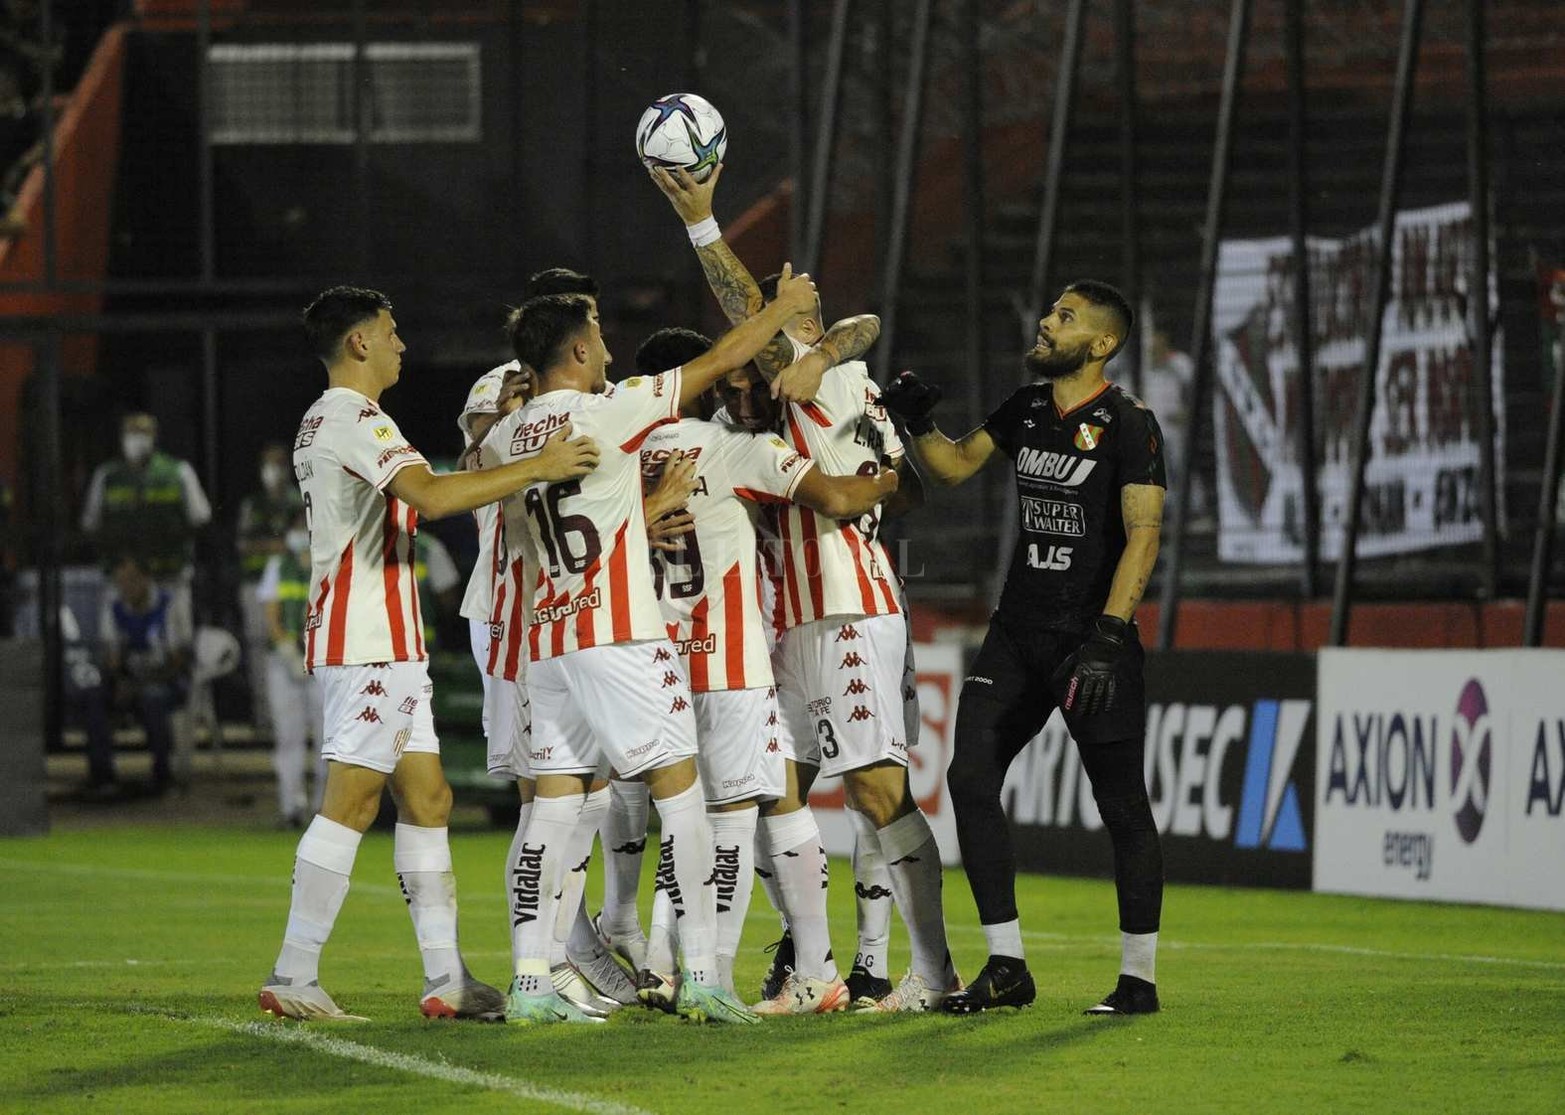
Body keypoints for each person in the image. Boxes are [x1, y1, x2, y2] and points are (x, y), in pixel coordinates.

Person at [650, 164, 952, 1013]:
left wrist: (705, 226)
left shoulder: (828, 383)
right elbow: (907, 478)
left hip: (847, 612)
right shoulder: (807, 401)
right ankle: (809, 965)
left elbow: (830, 325)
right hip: (788, 625)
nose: (750, 374)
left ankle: (931, 973)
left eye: (773, 352)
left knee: (874, 790)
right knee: (771, 790)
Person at [258, 285, 600, 1023]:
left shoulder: (333, 419)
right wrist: (537, 466)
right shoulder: (351, 418)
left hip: (386, 640)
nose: (400, 344)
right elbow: (434, 497)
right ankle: (294, 969)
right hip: (367, 639)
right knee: (351, 799)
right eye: (390, 330)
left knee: (430, 797)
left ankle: (446, 978)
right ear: (358, 343)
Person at [492, 273, 817, 1025]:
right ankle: (702, 974)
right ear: (577, 348)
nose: (609, 348)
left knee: (551, 809)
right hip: (619, 632)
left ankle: (532, 981)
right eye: (599, 336)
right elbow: (718, 361)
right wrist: (781, 310)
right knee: (683, 798)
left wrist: (639, 510)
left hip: (550, 637)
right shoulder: (608, 410)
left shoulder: (511, 435)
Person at [881, 279, 1167, 1016]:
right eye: (1050, 311)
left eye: (1064, 318)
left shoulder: (1129, 423)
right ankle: (1006, 964)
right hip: (1016, 633)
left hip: (1088, 640)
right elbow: (949, 466)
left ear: (1100, 344)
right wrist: (918, 423)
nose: (1045, 321)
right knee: (969, 777)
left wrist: (1109, 634)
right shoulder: (1026, 407)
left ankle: (1137, 979)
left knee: (1121, 804)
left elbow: (1143, 534)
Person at [633, 326, 899, 1012]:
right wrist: (891, 475)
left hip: (648, 663)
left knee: (748, 805)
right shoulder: (734, 448)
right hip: (730, 660)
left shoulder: (613, 456)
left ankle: (776, 965)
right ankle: (715, 976)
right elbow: (836, 500)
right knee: (741, 815)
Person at [84, 552, 194, 797]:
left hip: (167, 682)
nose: (126, 587)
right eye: (120, 581)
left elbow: (179, 661)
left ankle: (162, 777)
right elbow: (112, 660)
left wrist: (141, 684)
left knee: (152, 698)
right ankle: (102, 778)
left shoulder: (169, 604)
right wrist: (122, 682)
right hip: (129, 682)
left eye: (132, 580)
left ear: (146, 579)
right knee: (94, 696)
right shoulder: (114, 609)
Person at [80, 412, 212, 587]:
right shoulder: (107, 476)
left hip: (169, 574)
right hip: (122, 579)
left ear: (154, 436)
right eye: (131, 433)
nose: (136, 439)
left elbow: (200, 517)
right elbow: (90, 523)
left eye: (143, 433)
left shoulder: (178, 472)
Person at [256, 510, 323, 828]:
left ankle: (325, 807)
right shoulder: (278, 566)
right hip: (285, 663)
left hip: (324, 661)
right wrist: (286, 649)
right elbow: (272, 615)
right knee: (289, 736)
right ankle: (290, 806)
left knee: (329, 738)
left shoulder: (331, 562)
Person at [237, 443, 303, 736]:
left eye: (277, 464)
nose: (272, 471)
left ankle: (298, 715)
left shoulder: (298, 500)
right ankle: (264, 717)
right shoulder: (253, 504)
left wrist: (274, 545)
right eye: (267, 464)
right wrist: (280, 544)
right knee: (258, 649)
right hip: (255, 583)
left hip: (292, 583)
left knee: (292, 644)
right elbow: (242, 544)